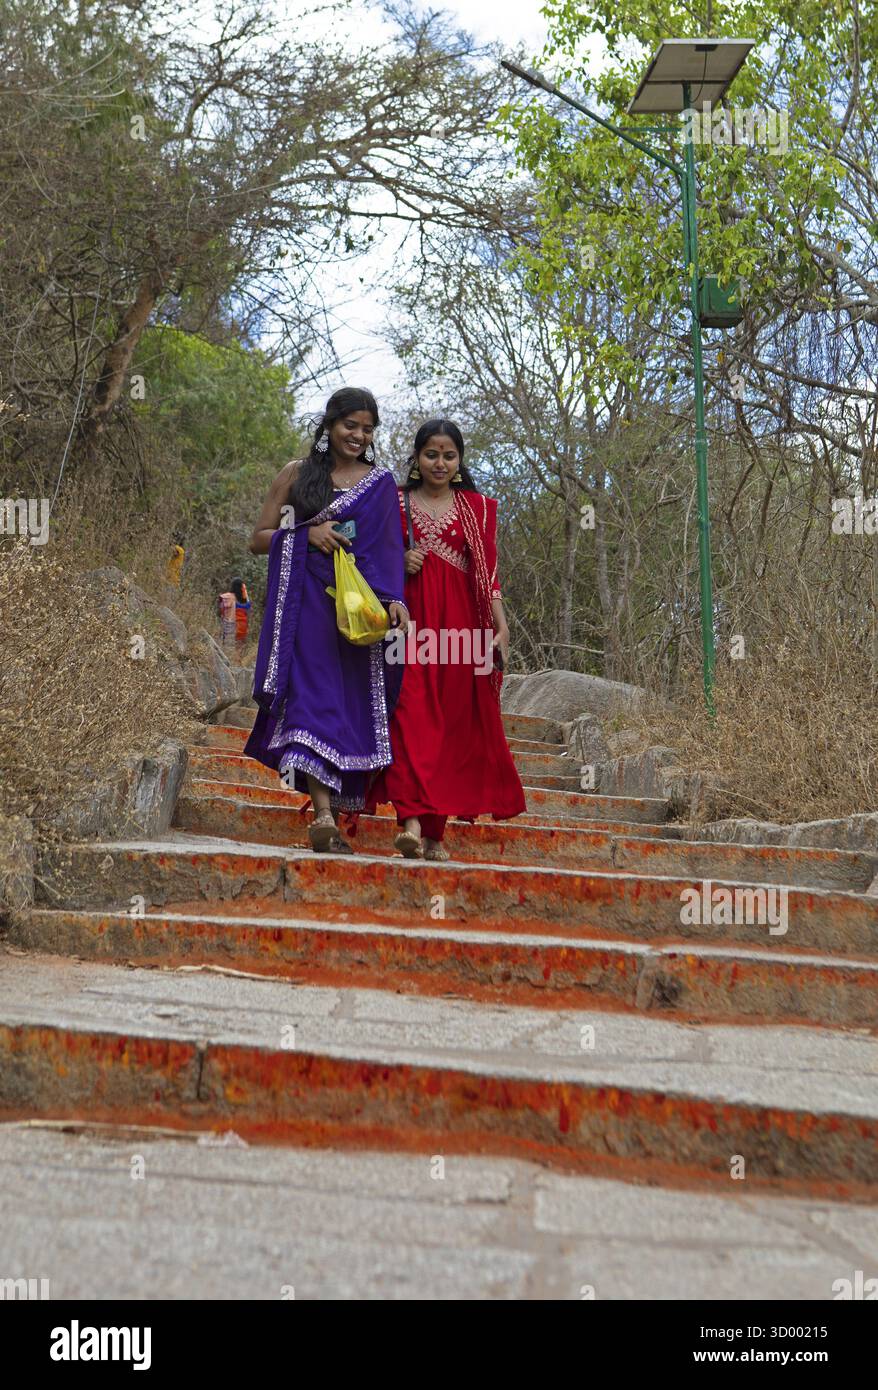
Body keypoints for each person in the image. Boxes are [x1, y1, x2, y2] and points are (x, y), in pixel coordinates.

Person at [244, 387, 409, 853]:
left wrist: (395, 598)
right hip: (305, 605)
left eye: (367, 429)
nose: (357, 435)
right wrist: (306, 533)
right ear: (330, 423)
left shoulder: (379, 485)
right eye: (350, 425)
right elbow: (258, 538)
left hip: (356, 614)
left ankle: (332, 813)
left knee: (345, 707)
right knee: (313, 702)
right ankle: (322, 816)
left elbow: (385, 551)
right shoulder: (296, 474)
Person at [366, 419, 525, 860]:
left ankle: (435, 833)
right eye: (431, 454)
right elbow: (370, 559)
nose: (440, 462)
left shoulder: (477, 507)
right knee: (410, 712)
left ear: (459, 461)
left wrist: (501, 626)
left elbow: (488, 574)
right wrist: (400, 560)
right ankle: (412, 822)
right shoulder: (393, 503)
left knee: (452, 726)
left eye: (449, 455)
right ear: (417, 458)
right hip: (407, 624)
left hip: (462, 629)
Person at [230, 577, 251, 647]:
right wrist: (244, 590)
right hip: (243, 629)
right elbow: (248, 615)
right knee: (240, 650)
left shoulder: (230, 599)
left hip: (232, 629)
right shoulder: (246, 603)